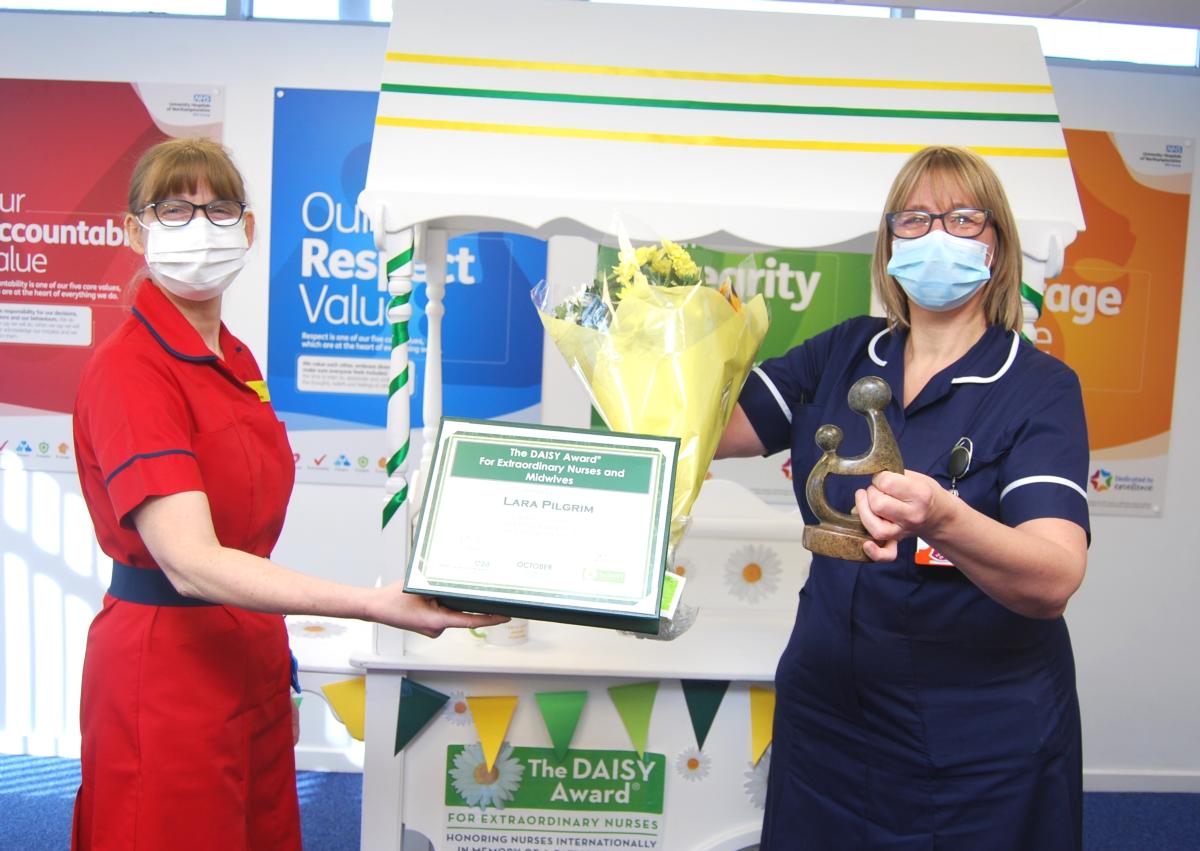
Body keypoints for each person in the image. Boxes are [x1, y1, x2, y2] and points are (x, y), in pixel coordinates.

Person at [70, 137, 505, 850]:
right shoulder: (132, 370)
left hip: (252, 657)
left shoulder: (233, 358)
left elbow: (240, 536)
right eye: (173, 209)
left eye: (218, 209)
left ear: (248, 229)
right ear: (134, 229)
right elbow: (192, 561)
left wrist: (286, 674)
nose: (199, 227)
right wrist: (373, 603)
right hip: (167, 673)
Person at [718, 145, 1090, 849]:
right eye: (914, 219)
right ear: (888, 243)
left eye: (961, 216)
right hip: (827, 725)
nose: (936, 234)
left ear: (997, 243)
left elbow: (1054, 576)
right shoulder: (845, 352)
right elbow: (710, 430)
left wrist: (943, 516)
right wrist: (656, 348)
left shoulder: (1037, 388)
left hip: (977, 749)